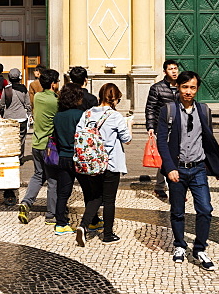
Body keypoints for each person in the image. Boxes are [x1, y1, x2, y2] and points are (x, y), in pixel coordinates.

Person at [157, 70, 219, 271]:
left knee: (205, 209)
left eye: (192, 87)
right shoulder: (168, 110)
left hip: (198, 169)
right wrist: (169, 168)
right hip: (177, 169)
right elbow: (162, 141)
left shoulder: (204, 110)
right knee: (177, 211)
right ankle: (179, 245)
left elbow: (208, 140)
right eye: (185, 87)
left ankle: (200, 248)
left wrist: (215, 168)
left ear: (197, 89)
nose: (188, 91)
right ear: (178, 87)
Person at [75, 82, 132, 247]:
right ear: (115, 99)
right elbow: (127, 140)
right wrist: (130, 125)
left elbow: (78, 133)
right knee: (108, 200)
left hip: (90, 162)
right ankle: (107, 234)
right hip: (110, 163)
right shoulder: (115, 116)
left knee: (95, 197)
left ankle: (83, 226)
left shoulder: (86, 114)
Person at [18, 68, 59, 224]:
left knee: (38, 175)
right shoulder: (55, 101)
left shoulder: (39, 97)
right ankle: (51, 215)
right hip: (49, 146)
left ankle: (26, 202)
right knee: (53, 180)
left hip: (36, 143)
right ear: (53, 84)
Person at [52, 83, 85, 236]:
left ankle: (60, 223)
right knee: (89, 191)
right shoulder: (79, 115)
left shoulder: (58, 116)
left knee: (63, 192)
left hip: (63, 157)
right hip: (78, 157)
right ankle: (92, 220)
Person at [145, 59, 179, 199]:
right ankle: (174, 191)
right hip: (163, 127)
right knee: (167, 156)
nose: (174, 71)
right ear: (165, 71)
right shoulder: (157, 88)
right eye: (171, 69)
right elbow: (150, 108)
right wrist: (151, 126)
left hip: (178, 127)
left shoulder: (182, 86)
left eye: (176, 68)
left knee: (170, 157)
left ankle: (159, 186)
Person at [0, 68, 31, 159]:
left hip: (9, 117)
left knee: (9, 138)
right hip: (21, 117)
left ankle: (10, 156)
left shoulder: (6, 89)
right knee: (21, 138)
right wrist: (29, 114)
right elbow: (28, 104)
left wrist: (2, 114)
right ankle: (20, 157)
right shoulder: (23, 89)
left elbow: (2, 104)